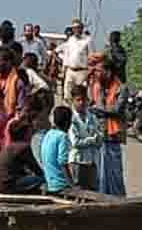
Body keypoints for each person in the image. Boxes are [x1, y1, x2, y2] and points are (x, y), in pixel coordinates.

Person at [85, 55, 129, 196]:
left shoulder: (121, 88)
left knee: (115, 173)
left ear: (108, 72)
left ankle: (117, 199)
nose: (96, 74)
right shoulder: (96, 86)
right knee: (100, 173)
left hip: (113, 136)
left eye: (99, 71)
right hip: (98, 134)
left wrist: (99, 111)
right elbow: (89, 102)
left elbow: (117, 110)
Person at [0, 115, 44, 194]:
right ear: (25, 134)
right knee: (41, 179)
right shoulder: (24, 147)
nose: (31, 135)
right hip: (8, 185)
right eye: (30, 132)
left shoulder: (9, 147)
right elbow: (35, 168)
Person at [67, 84, 102, 191]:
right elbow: (75, 142)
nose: (81, 103)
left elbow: (99, 136)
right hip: (77, 162)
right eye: (78, 100)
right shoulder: (71, 118)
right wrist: (91, 140)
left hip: (91, 160)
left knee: (93, 191)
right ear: (72, 101)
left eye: (83, 99)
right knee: (78, 191)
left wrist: (98, 139)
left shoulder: (91, 117)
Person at [37, 105, 75, 193]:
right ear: (67, 122)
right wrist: (71, 184)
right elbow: (62, 163)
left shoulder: (48, 134)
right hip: (60, 184)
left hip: (50, 182)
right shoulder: (62, 136)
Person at [57, 19, 94, 98]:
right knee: (67, 95)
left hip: (82, 72)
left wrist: (90, 71)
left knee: (80, 95)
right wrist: (64, 71)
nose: (76, 30)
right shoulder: (70, 40)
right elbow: (67, 56)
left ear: (82, 28)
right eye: (74, 28)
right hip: (70, 71)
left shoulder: (88, 40)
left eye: (78, 27)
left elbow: (91, 56)